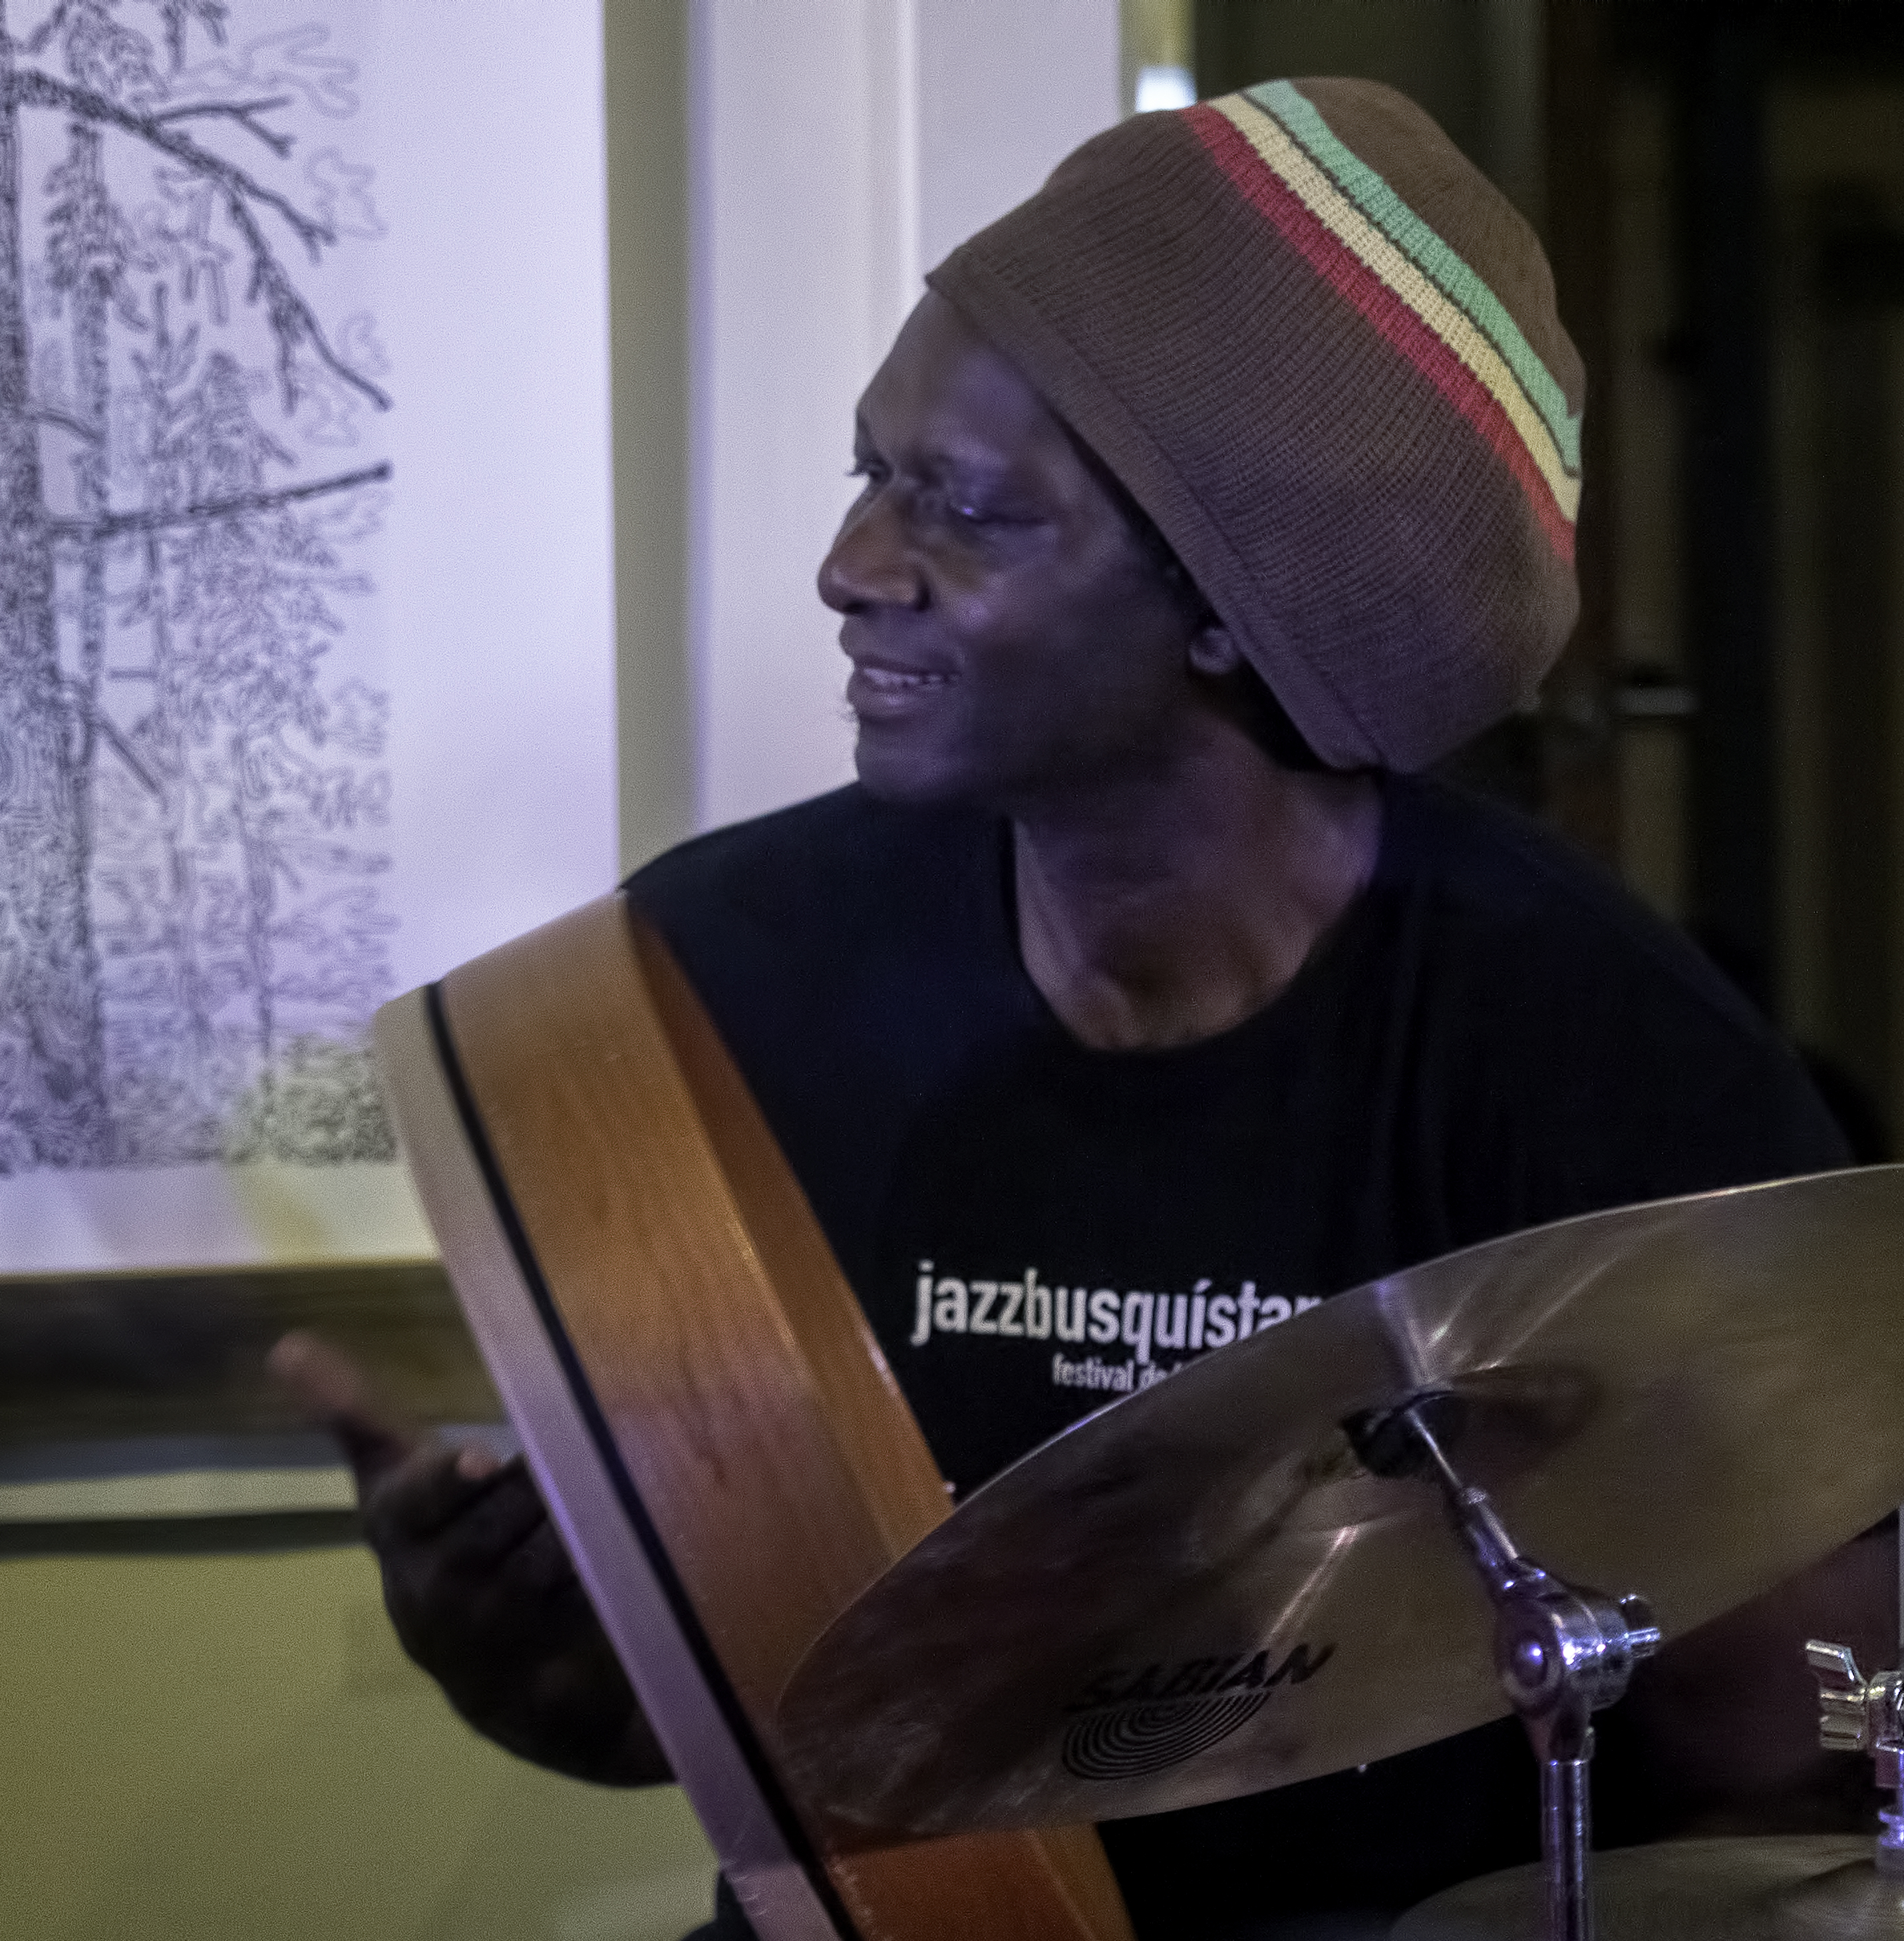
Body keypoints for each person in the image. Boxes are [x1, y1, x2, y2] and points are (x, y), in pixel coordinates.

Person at [279, 77, 1890, 1940]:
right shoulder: (713, 984)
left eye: (958, 510)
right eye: (866, 474)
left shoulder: (1592, 1051)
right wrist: (510, 1642)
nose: (851, 569)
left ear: (1227, 603)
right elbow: (736, 1745)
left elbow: (1781, 1747)